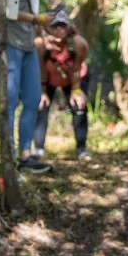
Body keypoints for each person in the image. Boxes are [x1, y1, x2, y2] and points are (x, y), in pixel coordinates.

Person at [0, 0, 56, 174]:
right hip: (8, 44)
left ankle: (26, 156)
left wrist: (43, 31)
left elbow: (27, 9)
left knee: (32, 99)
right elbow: (7, 10)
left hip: (27, 44)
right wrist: (38, 19)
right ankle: (7, 158)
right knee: (9, 100)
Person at [33, 9, 91, 159]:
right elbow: (41, 67)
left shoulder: (77, 43)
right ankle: (38, 149)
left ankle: (82, 148)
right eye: (55, 26)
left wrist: (76, 90)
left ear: (68, 27)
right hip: (49, 78)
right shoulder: (41, 44)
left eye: (63, 26)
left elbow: (78, 67)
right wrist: (43, 91)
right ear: (48, 28)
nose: (59, 30)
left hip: (74, 79)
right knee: (40, 106)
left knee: (79, 107)